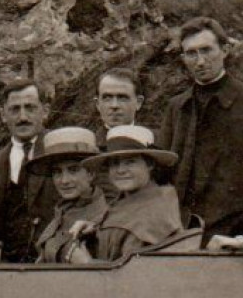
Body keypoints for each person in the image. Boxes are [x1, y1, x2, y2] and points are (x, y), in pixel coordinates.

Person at [161, 17, 243, 237]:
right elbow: (163, 170)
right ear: (183, 58)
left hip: (235, 229)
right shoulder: (177, 107)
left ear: (225, 50)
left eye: (207, 50)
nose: (200, 61)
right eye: (191, 53)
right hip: (182, 229)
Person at [74, 125, 184, 263]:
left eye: (130, 162)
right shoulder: (135, 198)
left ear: (149, 164)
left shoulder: (153, 214)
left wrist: (87, 263)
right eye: (114, 163)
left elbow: (135, 276)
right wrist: (96, 226)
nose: (121, 170)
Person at [0, 80, 57, 262]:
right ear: (3, 115)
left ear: (45, 111)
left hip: (54, 266)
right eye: (15, 109)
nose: (23, 117)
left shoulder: (60, 153)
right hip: (6, 269)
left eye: (30, 108)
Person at [27, 128, 111, 264]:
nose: (64, 180)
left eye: (73, 170)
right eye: (57, 172)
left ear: (91, 174)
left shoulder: (103, 217)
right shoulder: (61, 212)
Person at [95, 67, 144, 135]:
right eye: (107, 98)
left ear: (138, 102)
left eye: (122, 98)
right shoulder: (89, 144)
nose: (114, 105)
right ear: (98, 104)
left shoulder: (156, 142)